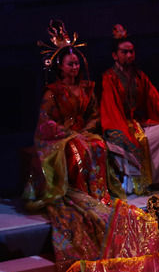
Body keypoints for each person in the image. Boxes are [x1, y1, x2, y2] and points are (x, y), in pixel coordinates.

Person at [31, 20, 111, 209]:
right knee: (77, 150)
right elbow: (45, 120)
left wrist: (85, 130)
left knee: (99, 145)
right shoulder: (53, 92)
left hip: (83, 132)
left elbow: (94, 114)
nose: (75, 67)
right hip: (61, 136)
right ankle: (78, 193)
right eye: (70, 64)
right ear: (60, 66)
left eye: (76, 64)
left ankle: (97, 194)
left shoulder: (85, 89)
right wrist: (68, 133)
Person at [101, 24, 159, 195]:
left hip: (140, 123)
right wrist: (122, 132)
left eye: (131, 51)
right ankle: (133, 185)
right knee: (125, 143)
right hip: (119, 125)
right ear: (115, 55)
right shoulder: (109, 78)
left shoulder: (139, 76)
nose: (129, 55)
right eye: (124, 52)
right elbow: (110, 108)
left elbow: (155, 99)